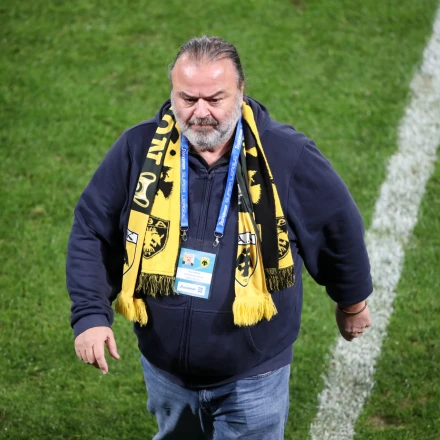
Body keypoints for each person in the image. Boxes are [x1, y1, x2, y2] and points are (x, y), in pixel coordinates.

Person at [67, 36, 372, 439]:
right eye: (187, 99)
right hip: (165, 372)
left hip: (254, 375)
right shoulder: (137, 149)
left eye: (214, 99)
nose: (200, 112)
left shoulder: (287, 156)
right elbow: (92, 229)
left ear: (241, 92)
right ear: (172, 93)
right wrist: (90, 316)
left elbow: (337, 229)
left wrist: (352, 304)